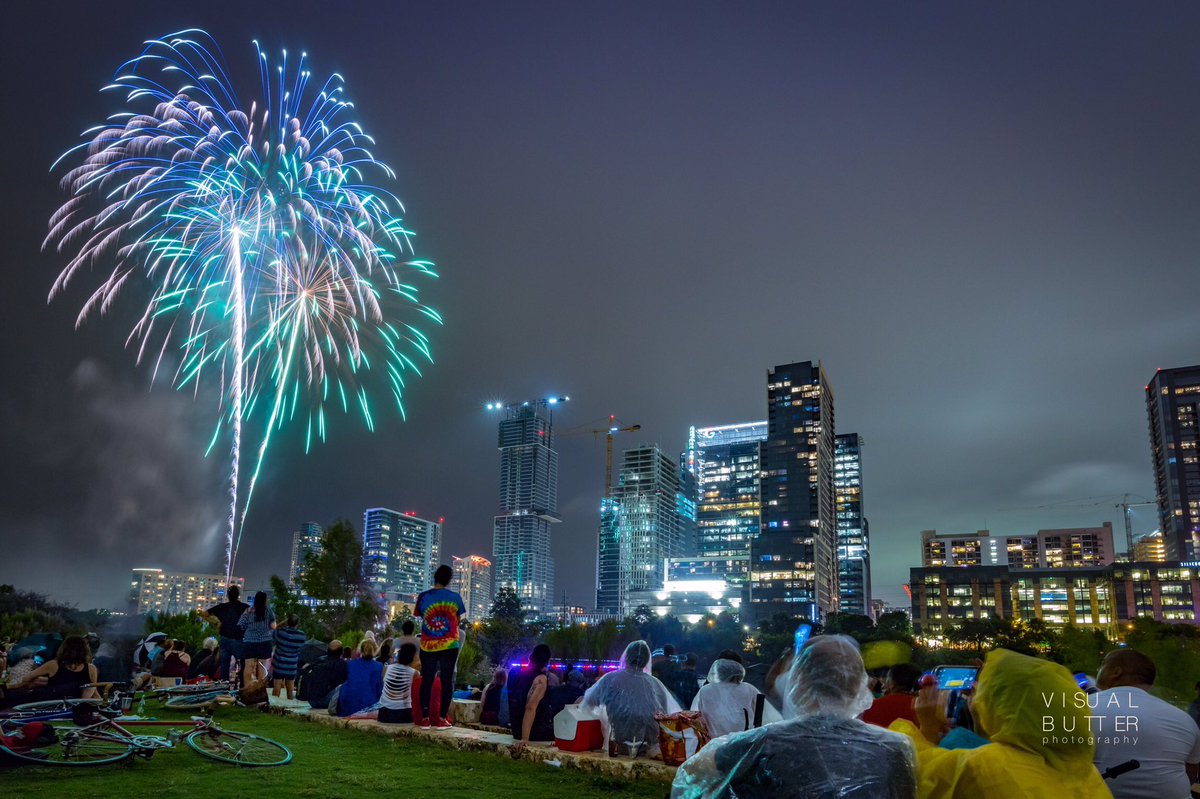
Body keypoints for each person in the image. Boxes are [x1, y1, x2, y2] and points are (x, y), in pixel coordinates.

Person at [673, 635, 916, 798]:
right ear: (858, 686)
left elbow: (691, 784)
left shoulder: (757, 746)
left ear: (798, 683)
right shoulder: (896, 749)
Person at [891, 647, 1109, 798]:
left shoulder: (987, 767)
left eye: (985, 690)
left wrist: (928, 726)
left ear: (1005, 704)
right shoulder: (1087, 772)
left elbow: (909, 774)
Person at [1092, 648, 1200, 798]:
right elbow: (1190, 773)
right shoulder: (1183, 718)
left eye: (1102, 664)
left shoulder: (1081, 708)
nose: (1098, 669)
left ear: (1116, 672)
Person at [582, 640, 678, 757]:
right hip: (648, 750)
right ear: (647, 660)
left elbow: (587, 703)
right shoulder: (655, 684)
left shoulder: (610, 679)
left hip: (617, 747)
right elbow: (664, 715)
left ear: (626, 657)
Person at [414, 564, 466, 729]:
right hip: (450, 644)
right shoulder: (455, 597)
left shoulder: (423, 597)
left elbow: (422, 616)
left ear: (435, 577)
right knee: (446, 681)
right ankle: (442, 718)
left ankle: (424, 718)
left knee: (427, 680)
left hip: (428, 644)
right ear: (449, 580)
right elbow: (457, 620)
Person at [691, 657, 780, 739]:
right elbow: (764, 712)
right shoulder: (748, 688)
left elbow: (697, 716)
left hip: (714, 740)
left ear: (717, 672)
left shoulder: (706, 690)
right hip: (745, 738)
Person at [7, 635, 99, 701]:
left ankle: (7, 689)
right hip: (74, 704)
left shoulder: (54, 665)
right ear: (85, 650)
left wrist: (44, 680)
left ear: (64, 648)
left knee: (33, 683)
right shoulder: (91, 668)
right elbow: (93, 690)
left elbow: (26, 678)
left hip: (50, 701)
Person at [200, 585, 248, 683]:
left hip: (224, 639)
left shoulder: (222, 607)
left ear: (228, 596)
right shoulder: (245, 607)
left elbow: (204, 613)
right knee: (243, 664)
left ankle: (224, 685)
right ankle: (242, 685)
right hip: (239, 639)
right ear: (238, 595)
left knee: (224, 664)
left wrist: (216, 622)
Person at [510, 644, 555, 745]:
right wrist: (525, 738)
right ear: (547, 660)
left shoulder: (519, 675)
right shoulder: (541, 679)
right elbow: (530, 707)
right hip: (535, 731)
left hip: (517, 730)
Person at [862, 662, 921, 729]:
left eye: (887, 679)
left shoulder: (872, 707)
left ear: (892, 683)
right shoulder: (924, 707)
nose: (883, 684)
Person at [237, 590, 276, 688]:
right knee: (261, 667)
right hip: (264, 642)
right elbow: (273, 626)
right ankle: (259, 690)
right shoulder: (268, 611)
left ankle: (246, 690)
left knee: (248, 667)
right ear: (265, 600)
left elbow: (241, 625)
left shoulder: (248, 610)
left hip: (250, 642)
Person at [337, 639, 384, 717]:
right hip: (369, 705)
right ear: (375, 650)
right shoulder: (379, 666)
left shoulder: (350, 664)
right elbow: (379, 688)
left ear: (360, 650)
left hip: (349, 706)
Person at [300, 640, 348, 709]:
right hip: (328, 701)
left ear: (327, 650)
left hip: (312, 701)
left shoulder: (318, 660)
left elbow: (304, 668)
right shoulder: (343, 665)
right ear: (342, 652)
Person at [379, 643, 419, 724]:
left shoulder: (386, 668)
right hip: (404, 713)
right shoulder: (415, 673)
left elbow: (383, 685)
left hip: (384, 713)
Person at [271, 615, 307, 699]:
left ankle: (274, 706)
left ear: (287, 621)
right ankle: (289, 706)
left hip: (279, 664)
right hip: (292, 665)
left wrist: (282, 624)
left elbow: (274, 634)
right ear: (297, 623)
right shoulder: (301, 635)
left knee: (276, 688)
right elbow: (300, 648)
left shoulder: (280, 632)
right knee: (290, 689)